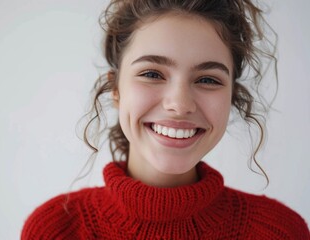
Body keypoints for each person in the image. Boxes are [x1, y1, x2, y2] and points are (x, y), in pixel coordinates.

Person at [21, 0, 309, 239]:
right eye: (152, 74)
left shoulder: (280, 231)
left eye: (208, 79)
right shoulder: (56, 229)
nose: (180, 104)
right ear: (116, 90)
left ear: (232, 96)